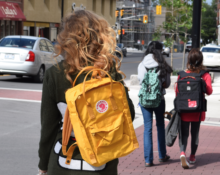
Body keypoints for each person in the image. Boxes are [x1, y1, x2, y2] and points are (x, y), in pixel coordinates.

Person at [37, 10, 135, 175]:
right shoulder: (108, 71)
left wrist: (43, 164)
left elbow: (49, 126)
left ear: (66, 39)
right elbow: (129, 115)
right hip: (102, 159)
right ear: (99, 36)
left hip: (63, 161)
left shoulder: (54, 74)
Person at [176, 48, 213, 169]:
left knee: (184, 134)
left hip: (184, 109)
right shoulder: (204, 74)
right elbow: (209, 91)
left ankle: (182, 152)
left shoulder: (181, 75)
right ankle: (192, 156)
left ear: (189, 60)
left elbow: (177, 92)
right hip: (197, 110)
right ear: (201, 60)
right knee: (195, 133)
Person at [137, 41, 172, 167]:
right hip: (159, 99)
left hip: (145, 100)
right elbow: (167, 84)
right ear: (160, 50)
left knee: (147, 128)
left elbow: (141, 81)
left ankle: (148, 159)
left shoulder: (142, 64)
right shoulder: (163, 65)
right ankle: (162, 155)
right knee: (160, 126)